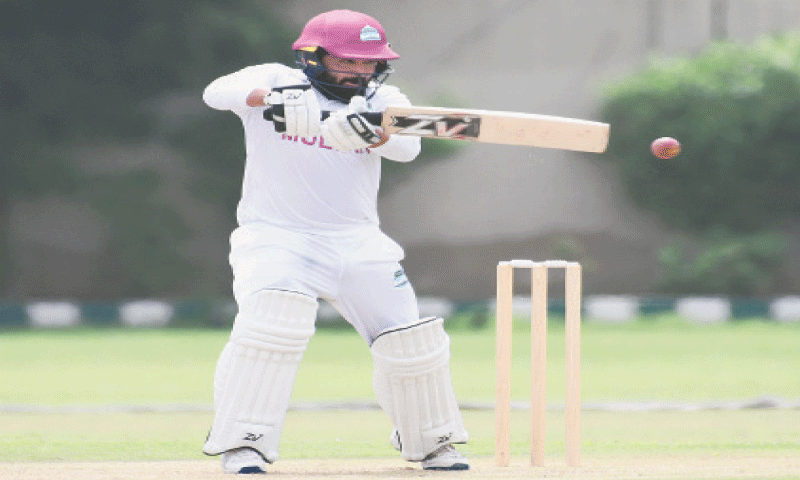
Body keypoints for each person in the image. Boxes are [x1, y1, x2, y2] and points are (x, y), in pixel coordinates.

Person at [200, 9, 469, 474]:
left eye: (369, 63)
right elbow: (213, 93)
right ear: (313, 56)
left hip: (358, 242)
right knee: (270, 326)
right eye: (349, 61)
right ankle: (243, 443)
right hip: (276, 238)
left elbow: (410, 147)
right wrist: (270, 98)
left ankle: (430, 441)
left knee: (410, 340)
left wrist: (372, 131)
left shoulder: (384, 99)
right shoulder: (274, 77)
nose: (361, 72)